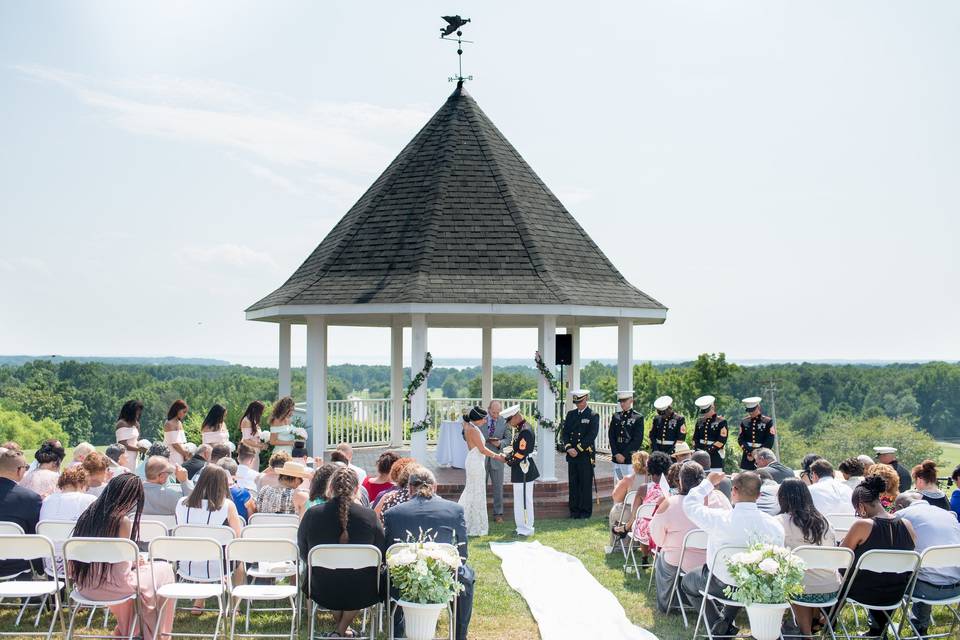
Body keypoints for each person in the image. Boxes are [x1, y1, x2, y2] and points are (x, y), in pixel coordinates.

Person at [70, 473, 176, 640]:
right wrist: (134, 560)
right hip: (114, 586)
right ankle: (155, 633)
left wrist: (132, 560)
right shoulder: (121, 520)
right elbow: (121, 561)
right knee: (164, 570)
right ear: (132, 497)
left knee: (150, 577)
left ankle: (134, 631)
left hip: (86, 585)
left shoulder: (88, 515)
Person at [681, 471, 785, 636]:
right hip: (755, 587)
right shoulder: (774, 525)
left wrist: (707, 483)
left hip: (721, 585)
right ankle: (724, 622)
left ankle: (717, 624)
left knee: (688, 581)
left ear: (734, 491)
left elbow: (689, 504)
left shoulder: (719, 519)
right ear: (758, 495)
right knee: (743, 576)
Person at [383, 466, 473, 640]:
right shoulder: (455, 510)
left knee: (386, 575)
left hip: (403, 578)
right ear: (435, 486)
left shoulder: (393, 513)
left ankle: (396, 631)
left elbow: (388, 554)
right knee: (466, 575)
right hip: (445, 575)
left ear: (409, 488)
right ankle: (460, 635)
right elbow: (462, 554)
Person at [298, 466, 385, 637]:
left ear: (329, 488)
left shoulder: (312, 514)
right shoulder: (370, 516)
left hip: (322, 585)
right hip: (363, 588)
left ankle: (338, 632)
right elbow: (380, 553)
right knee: (359, 580)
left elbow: (303, 551)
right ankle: (342, 631)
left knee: (333, 581)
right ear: (357, 489)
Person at [649, 461, 730, 613]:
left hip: (679, 560)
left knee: (661, 560)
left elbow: (658, 540)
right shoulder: (720, 499)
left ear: (680, 481)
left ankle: (667, 604)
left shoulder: (669, 503)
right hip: (713, 560)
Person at [841, 475, 916, 638]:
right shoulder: (907, 525)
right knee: (883, 576)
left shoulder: (862, 525)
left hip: (864, 592)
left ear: (861, 506)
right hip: (896, 593)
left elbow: (841, 558)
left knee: (840, 575)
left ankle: (825, 622)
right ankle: (878, 629)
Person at [174, 465, 243, 613]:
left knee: (201, 548)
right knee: (238, 557)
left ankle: (199, 603)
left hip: (186, 564)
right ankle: (235, 605)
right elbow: (238, 538)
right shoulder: (227, 506)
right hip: (218, 567)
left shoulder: (181, 503)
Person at [777, 478, 840, 637]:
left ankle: (806, 633)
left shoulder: (780, 521)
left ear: (782, 497)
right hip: (831, 589)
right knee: (809, 573)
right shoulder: (824, 520)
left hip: (801, 589)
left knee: (797, 577)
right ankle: (815, 619)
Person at [893, 491, 960, 636]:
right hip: (956, 587)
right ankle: (919, 626)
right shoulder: (949, 515)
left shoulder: (901, 515)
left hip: (925, 589)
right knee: (927, 569)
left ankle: (879, 627)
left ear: (899, 506)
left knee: (889, 572)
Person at [459, 406, 507, 536]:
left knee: (473, 490)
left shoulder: (468, 427)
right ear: (477, 419)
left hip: (474, 460)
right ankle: (472, 523)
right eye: (483, 419)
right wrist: (498, 456)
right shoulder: (473, 430)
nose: (485, 421)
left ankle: (467, 519)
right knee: (476, 491)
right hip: (475, 461)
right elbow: (483, 449)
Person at [0, 447, 41, 578]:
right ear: (19, 470)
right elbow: (34, 535)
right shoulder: (29, 498)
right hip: (16, 565)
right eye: (26, 467)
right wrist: (40, 570)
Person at [501, 405, 539, 536]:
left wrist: (508, 460)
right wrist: (507, 457)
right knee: (519, 499)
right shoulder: (520, 429)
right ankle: (521, 527)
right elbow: (516, 450)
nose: (509, 423)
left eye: (509, 420)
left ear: (516, 416)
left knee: (525, 499)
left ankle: (527, 528)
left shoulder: (525, 431)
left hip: (525, 468)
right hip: (521, 468)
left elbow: (522, 453)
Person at [562, 389, 599, 519]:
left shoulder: (593, 415)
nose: (579, 405)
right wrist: (568, 448)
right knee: (573, 483)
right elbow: (565, 433)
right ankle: (574, 510)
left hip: (584, 455)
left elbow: (591, 436)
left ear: (586, 399)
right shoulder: (571, 414)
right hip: (571, 455)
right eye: (577, 402)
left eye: (581, 402)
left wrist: (576, 449)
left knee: (585, 484)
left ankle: (585, 511)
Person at [630, 452, 673, 558]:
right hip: (666, 528)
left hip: (646, 531)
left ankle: (644, 556)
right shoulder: (671, 490)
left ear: (649, 469)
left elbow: (634, 512)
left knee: (642, 522)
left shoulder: (643, 488)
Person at [608, 451, 649, 549]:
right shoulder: (653, 479)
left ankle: (619, 545)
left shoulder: (628, 479)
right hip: (647, 512)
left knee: (615, 510)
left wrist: (620, 484)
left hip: (629, 512)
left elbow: (616, 498)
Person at [609, 390, 644, 481]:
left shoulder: (638, 417)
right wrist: (616, 453)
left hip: (628, 458)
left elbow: (637, 440)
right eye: (620, 401)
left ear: (631, 400)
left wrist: (624, 455)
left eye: (624, 401)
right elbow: (611, 436)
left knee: (629, 483)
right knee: (618, 482)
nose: (622, 403)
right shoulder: (616, 416)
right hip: (617, 457)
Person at [481, 401, 507, 523]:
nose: (496, 415)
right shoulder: (481, 420)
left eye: (498, 412)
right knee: (481, 487)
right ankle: (481, 513)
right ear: (488, 409)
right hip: (482, 458)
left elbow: (508, 438)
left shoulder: (504, 421)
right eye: (493, 412)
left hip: (497, 458)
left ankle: (498, 514)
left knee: (498, 487)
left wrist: (500, 443)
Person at [738, 396, 775, 471]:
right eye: (749, 410)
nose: (751, 412)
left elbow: (769, 441)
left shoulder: (767, 421)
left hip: (763, 458)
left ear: (758, 407)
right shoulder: (744, 422)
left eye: (753, 410)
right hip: (747, 457)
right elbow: (740, 440)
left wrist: (758, 454)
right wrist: (750, 452)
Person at [692, 395, 727, 472]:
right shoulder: (699, 421)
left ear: (712, 407)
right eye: (703, 411)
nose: (705, 414)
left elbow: (721, 441)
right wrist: (698, 451)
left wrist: (707, 451)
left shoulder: (721, 421)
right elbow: (695, 439)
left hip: (714, 456)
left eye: (706, 411)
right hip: (700, 456)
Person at [218, 458, 255, 522]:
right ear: (235, 474)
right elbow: (251, 520)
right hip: (239, 530)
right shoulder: (244, 494)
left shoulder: (209, 492)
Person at [115, 400, 144, 472]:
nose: (138, 415)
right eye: (136, 413)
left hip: (134, 455)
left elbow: (137, 440)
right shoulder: (121, 423)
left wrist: (142, 446)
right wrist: (139, 449)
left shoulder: (136, 424)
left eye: (139, 413)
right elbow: (122, 444)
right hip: (125, 455)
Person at [163, 400, 190, 465]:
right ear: (177, 410)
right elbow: (174, 444)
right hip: (172, 455)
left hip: (181, 454)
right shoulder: (169, 423)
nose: (185, 414)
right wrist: (185, 453)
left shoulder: (179, 423)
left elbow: (182, 442)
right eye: (184, 412)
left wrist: (186, 454)